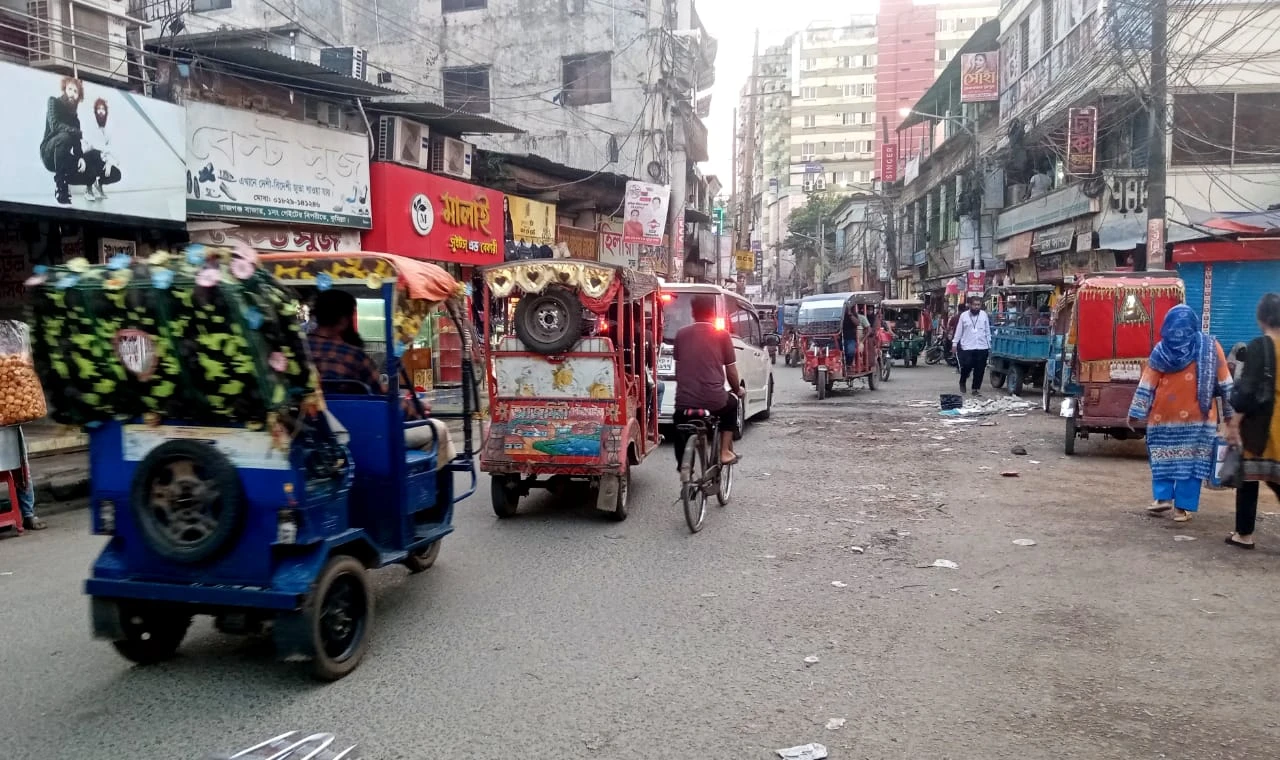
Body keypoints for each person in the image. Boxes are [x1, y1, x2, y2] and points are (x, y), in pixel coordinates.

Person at [306, 290, 456, 466]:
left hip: (313, 435)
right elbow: (386, 399)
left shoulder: (298, 350)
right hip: (365, 434)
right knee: (438, 429)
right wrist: (416, 409)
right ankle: (431, 488)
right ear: (345, 320)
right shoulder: (353, 356)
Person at [1126, 304, 1234, 523]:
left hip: (1163, 416)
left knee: (1163, 454)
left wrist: (1135, 411)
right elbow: (1226, 383)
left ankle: (1162, 498)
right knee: (1192, 462)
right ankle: (1182, 508)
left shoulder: (1161, 349)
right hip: (1201, 419)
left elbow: (1147, 383)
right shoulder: (1211, 347)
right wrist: (1232, 415)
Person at [1225, 293, 1280, 549]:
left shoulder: (1260, 346)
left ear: (1263, 317)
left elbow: (1247, 390)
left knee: (1248, 480)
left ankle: (1244, 535)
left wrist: (1234, 423)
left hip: (1263, 424)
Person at [673, 294, 744, 468]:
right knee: (733, 404)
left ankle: (683, 464)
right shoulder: (722, 335)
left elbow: (679, 369)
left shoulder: (681, 335)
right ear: (713, 313)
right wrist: (737, 390)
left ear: (693, 313)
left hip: (684, 400)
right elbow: (731, 372)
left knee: (678, 422)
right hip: (714, 399)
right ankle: (725, 452)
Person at [39, 76, 86, 205]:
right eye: (70, 89)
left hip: (62, 157)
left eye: (76, 92)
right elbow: (55, 125)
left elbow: (77, 145)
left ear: (79, 97)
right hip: (48, 152)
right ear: (64, 90)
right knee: (65, 137)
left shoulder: (75, 120)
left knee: (87, 166)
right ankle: (60, 186)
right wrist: (75, 132)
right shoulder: (53, 102)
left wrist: (80, 157)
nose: (72, 93)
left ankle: (71, 182)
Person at [81, 98, 121, 201]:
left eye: (103, 109)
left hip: (100, 158)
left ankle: (99, 184)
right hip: (87, 159)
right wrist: (105, 154)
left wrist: (109, 162)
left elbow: (111, 148)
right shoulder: (90, 125)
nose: (101, 111)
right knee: (94, 154)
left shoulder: (108, 129)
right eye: (98, 108)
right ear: (95, 111)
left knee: (117, 174)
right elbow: (90, 146)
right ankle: (88, 189)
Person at [952, 296, 992, 395]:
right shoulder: (964, 316)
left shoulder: (984, 315)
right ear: (970, 305)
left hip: (982, 346)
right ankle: (962, 381)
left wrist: (989, 344)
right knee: (967, 365)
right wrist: (954, 343)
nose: (977, 307)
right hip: (967, 346)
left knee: (980, 369)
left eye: (978, 305)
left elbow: (987, 330)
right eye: (975, 305)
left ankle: (975, 389)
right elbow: (959, 330)